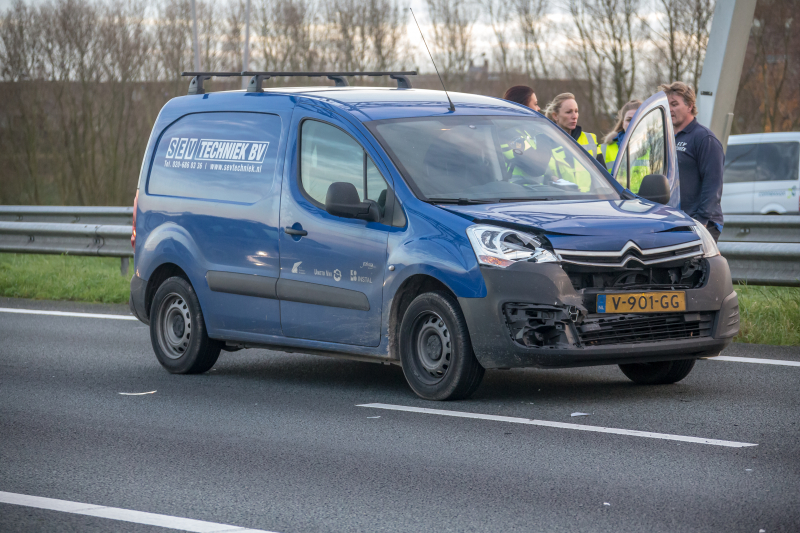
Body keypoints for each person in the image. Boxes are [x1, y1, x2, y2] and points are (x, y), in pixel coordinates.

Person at [658, 81, 724, 241]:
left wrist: (701, 221)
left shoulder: (704, 138)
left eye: (674, 104)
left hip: (699, 223)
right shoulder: (665, 138)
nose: (670, 109)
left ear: (690, 106)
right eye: (667, 104)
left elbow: (713, 183)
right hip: (673, 222)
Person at [544, 93, 599, 158]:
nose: (574, 116)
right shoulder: (545, 141)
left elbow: (602, 167)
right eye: (568, 112)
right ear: (555, 116)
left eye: (576, 111)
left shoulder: (590, 139)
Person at [601, 100, 641, 172]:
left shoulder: (655, 146)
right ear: (622, 124)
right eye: (629, 120)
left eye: (637, 119)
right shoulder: (604, 149)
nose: (632, 123)